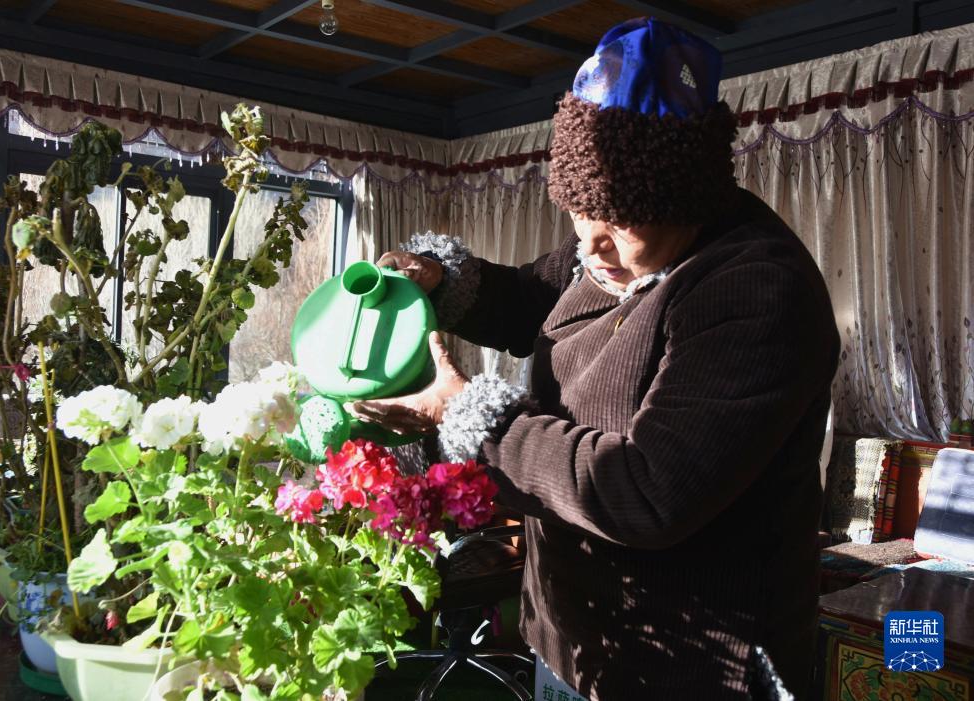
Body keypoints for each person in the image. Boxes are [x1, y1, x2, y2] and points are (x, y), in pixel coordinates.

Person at [349, 17, 839, 701]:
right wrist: (442, 279)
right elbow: (530, 299)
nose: (590, 244)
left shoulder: (755, 290)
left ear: (688, 200)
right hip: (573, 637)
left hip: (686, 669)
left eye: (616, 222)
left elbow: (643, 490)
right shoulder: (606, 253)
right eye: (579, 212)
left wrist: (463, 411)